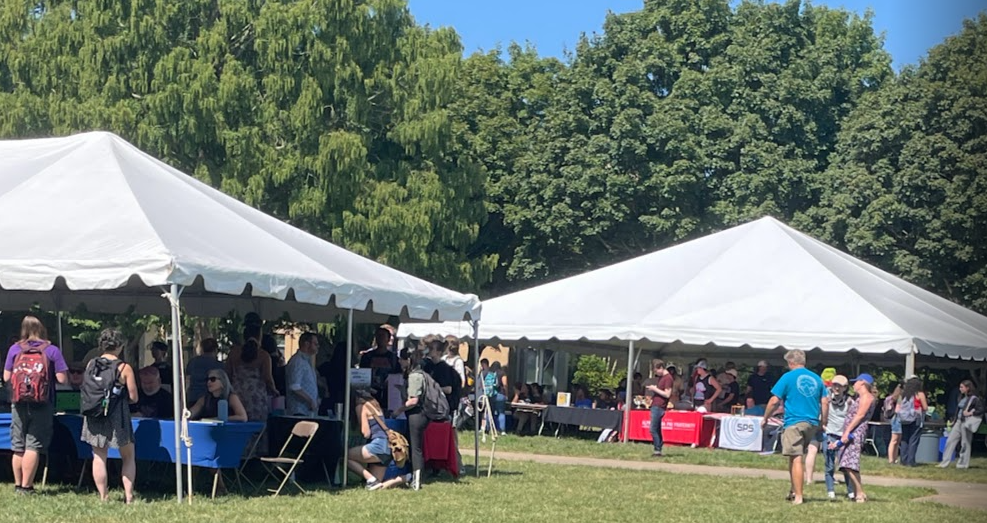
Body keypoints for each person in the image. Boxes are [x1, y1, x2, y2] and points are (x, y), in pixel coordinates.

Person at [3, 316, 69, 494]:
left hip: (18, 402)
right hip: (43, 403)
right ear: (42, 329)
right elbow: (62, 379)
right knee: (33, 445)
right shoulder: (52, 350)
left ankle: (18, 486)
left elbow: (6, 377)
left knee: (18, 445)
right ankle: (27, 486)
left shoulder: (15, 349)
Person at [761, 349, 826, 506]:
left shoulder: (788, 377)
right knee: (795, 456)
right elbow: (825, 401)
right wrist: (823, 422)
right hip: (811, 422)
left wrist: (765, 418)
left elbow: (774, 400)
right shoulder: (817, 379)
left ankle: (799, 496)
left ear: (790, 363)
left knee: (796, 458)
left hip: (794, 422)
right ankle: (793, 489)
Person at [81, 328, 139, 503]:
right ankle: (128, 496)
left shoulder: (91, 363)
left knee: (99, 456)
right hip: (117, 414)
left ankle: (103, 496)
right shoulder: (124, 367)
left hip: (94, 413)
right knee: (128, 456)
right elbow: (134, 397)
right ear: (120, 346)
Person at [832, 373, 876, 503]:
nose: (854, 385)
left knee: (850, 463)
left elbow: (860, 415)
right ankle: (859, 492)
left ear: (862, 383)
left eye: (855, 382)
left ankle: (860, 493)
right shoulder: (860, 397)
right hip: (851, 431)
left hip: (856, 432)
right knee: (846, 463)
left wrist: (847, 431)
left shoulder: (867, 397)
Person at [393, 347, 429, 491]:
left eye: (402, 359)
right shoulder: (416, 374)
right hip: (417, 414)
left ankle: (417, 480)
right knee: (415, 446)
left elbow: (413, 400)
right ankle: (414, 477)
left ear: (408, 360)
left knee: (415, 448)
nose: (400, 362)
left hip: (417, 414)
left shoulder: (415, 376)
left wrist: (399, 410)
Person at [228, 325, 278, 421]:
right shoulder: (264, 355)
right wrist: (274, 390)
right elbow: (267, 378)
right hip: (256, 396)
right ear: (259, 336)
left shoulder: (233, 353)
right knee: (257, 427)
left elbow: (228, 374)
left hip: (237, 395)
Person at [348, 390, 393, 490]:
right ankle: (404, 478)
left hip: (378, 445)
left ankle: (370, 479)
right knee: (378, 486)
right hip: (388, 447)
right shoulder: (376, 405)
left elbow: (366, 433)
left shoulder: (361, 406)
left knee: (346, 457)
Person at [821, 375, 854, 501]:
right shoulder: (826, 399)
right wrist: (824, 428)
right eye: (834, 385)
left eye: (839, 386)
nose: (836, 388)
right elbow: (821, 414)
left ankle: (851, 492)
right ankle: (830, 492)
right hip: (829, 434)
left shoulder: (849, 401)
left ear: (845, 388)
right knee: (829, 465)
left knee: (845, 466)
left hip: (843, 436)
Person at [939, 379, 983, 469]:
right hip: (958, 421)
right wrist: (954, 421)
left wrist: (971, 413)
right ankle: (944, 462)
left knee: (965, 443)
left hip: (966, 422)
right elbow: (958, 410)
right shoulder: (961, 397)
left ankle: (962, 464)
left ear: (968, 388)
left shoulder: (974, 399)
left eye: (962, 387)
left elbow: (981, 410)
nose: (960, 389)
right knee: (950, 440)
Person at [359, 325, 399, 405]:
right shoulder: (367, 356)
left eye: (383, 336)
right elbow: (362, 374)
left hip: (388, 395)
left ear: (388, 339)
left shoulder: (394, 358)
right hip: (369, 393)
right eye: (378, 336)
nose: (380, 338)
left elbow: (397, 375)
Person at [643, 359, 673, 457]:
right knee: (657, 428)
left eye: (656, 371)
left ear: (661, 368)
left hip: (659, 406)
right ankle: (658, 448)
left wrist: (655, 389)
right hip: (656, 404)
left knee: (653, 429)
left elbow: (667, 394)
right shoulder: (662, 378)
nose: (656, 373)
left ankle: (657, 449)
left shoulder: (668, 378)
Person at [285, 332, 320, 417]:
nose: (318, 346)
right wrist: (310, 401)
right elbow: (294, 386)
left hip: (307, 411)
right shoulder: (298, 362)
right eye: (315, 344)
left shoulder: (306, 361)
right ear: (307, 344)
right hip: (299, 410)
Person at [896, 375, 928, 467]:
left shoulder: (904, 394)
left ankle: (903, 460)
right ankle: (911, 461)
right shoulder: (919, 394)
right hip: (915, 419)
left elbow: (899, 406)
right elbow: (925, 407)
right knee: (913, 440)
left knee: (904, 439)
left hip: (904, 418)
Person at [185, 338, 225, 407]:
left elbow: (187, 381)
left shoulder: (192, 362)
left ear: (202, 349)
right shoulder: (219, 365)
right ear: (215, 350)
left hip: (193, 398)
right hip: (211, 401)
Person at [480, 359, 507, 435]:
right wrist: (506, 394)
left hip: (490, 395)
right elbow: (505, 384)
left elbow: (482, 386)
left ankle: (487, 429)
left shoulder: (487, 373)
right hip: (500, 394)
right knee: (501, 412)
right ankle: (502, 431)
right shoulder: (502, 373)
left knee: (489, 412)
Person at [883, 383, 903, 464]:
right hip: (897, 418)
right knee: (894, 440)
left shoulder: (897, 398)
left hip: (897, 418)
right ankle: (891, 459)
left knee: (897, 441)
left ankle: (894, 458)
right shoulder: (897, 398)